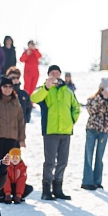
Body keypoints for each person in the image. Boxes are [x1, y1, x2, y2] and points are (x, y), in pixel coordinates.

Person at [30, 65, 80, 200]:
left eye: (57, 72)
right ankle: (46, 190)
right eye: (52, 72)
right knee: (50, 162)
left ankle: (58, 189)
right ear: (48, 75)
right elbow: (34, 98)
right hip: (50, 131)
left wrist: (71, 121)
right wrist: (46, 87)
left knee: (63, 161)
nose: (55, 74)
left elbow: (76, 107)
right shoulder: (44, 89)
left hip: (66, 131)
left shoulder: (68, 90)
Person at [82, 78, 108, 190]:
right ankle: (87, 181)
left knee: (99, 157)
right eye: (103, 88)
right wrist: (100, 98)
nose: (105, 90)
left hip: (104, 130)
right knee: (89, 155)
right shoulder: (92, 99)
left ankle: (97, 181)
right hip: (92, 129)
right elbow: (91, 110)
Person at [0, 77, 26, 162]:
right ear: (0, 87)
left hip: (12, 138)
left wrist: (22, 139)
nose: (7, 89)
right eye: (5, 86)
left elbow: (20, 121)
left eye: (10, 87)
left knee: (9, 164)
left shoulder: (15, 102)